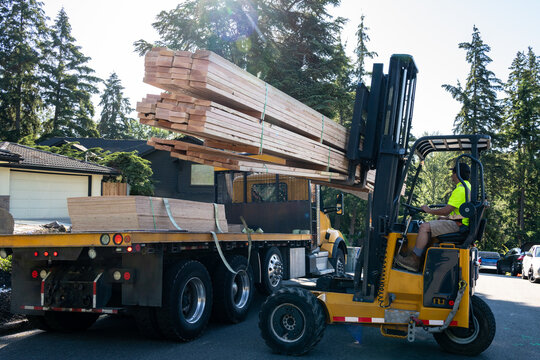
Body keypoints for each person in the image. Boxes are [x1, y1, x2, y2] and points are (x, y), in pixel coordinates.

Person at [395, 162, 471, 272]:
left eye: (453, 173)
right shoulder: (468, 186)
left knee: (424, 227)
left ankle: (414, 260)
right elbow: (458, 212)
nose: (451, 176)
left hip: (459, 225)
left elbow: (446, 210)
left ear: (457, 174)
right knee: (436, 222)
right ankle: (421, 259)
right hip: (461, 223)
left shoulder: (460, 189)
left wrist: (429, 210)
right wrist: (446, 218)